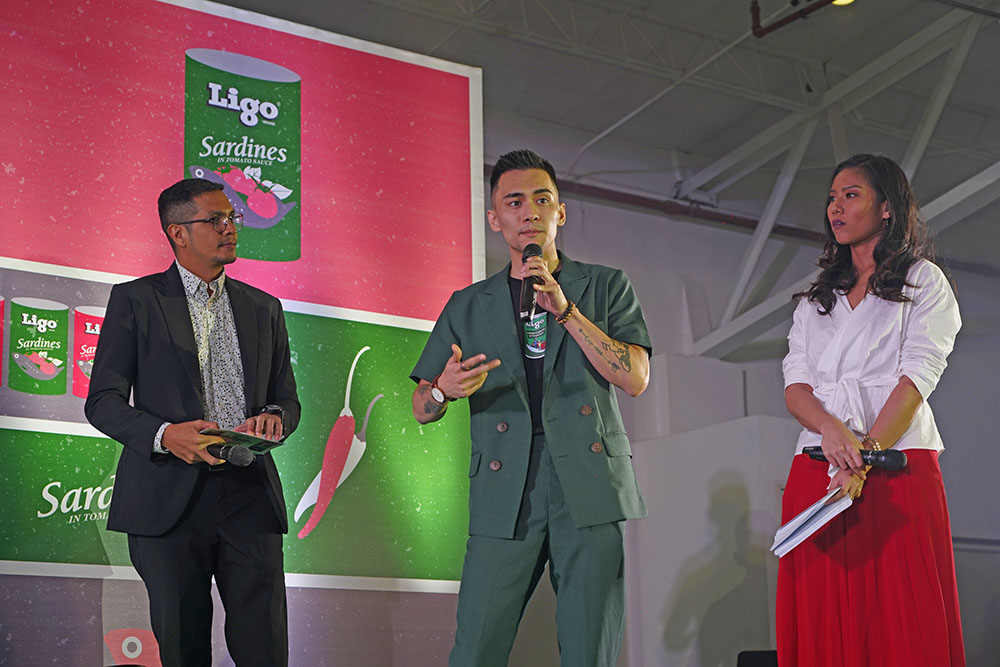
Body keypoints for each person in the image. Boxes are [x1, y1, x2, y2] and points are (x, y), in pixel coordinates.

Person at [410, 149, 651, 667]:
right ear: (495, 219)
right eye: (514, 202)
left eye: (542, 200)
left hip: (587, 481)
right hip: (506, 483)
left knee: (591, 650)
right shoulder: (468, 304)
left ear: (560, 213)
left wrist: (566, 311)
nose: (530, 212)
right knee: (475, 648)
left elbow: (634, 378)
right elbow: (420, 406)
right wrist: (442, 391)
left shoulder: (605, 286)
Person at [85, 178, 300, 667]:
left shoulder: (265, 308)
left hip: (249, 492)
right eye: (216, 219)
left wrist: (274, 418)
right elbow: (102, 401)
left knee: (265, 647)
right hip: (168, 497)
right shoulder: (137, 300)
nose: (231, 228)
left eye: (233, 218)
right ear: (178, 233)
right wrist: (166, 436)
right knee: (183, 647)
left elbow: (287, 399)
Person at [777, 154, 965, 666]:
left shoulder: (924, 282)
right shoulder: (816, 300)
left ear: (887, 208)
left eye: (851, 195)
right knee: (823, 615)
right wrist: (833, 433)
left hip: (894, 467)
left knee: (900, 617)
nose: (836, 207)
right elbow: (796, 389)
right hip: (818, 469)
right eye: (832, 198)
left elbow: (916, 378)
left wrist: (864, 455)